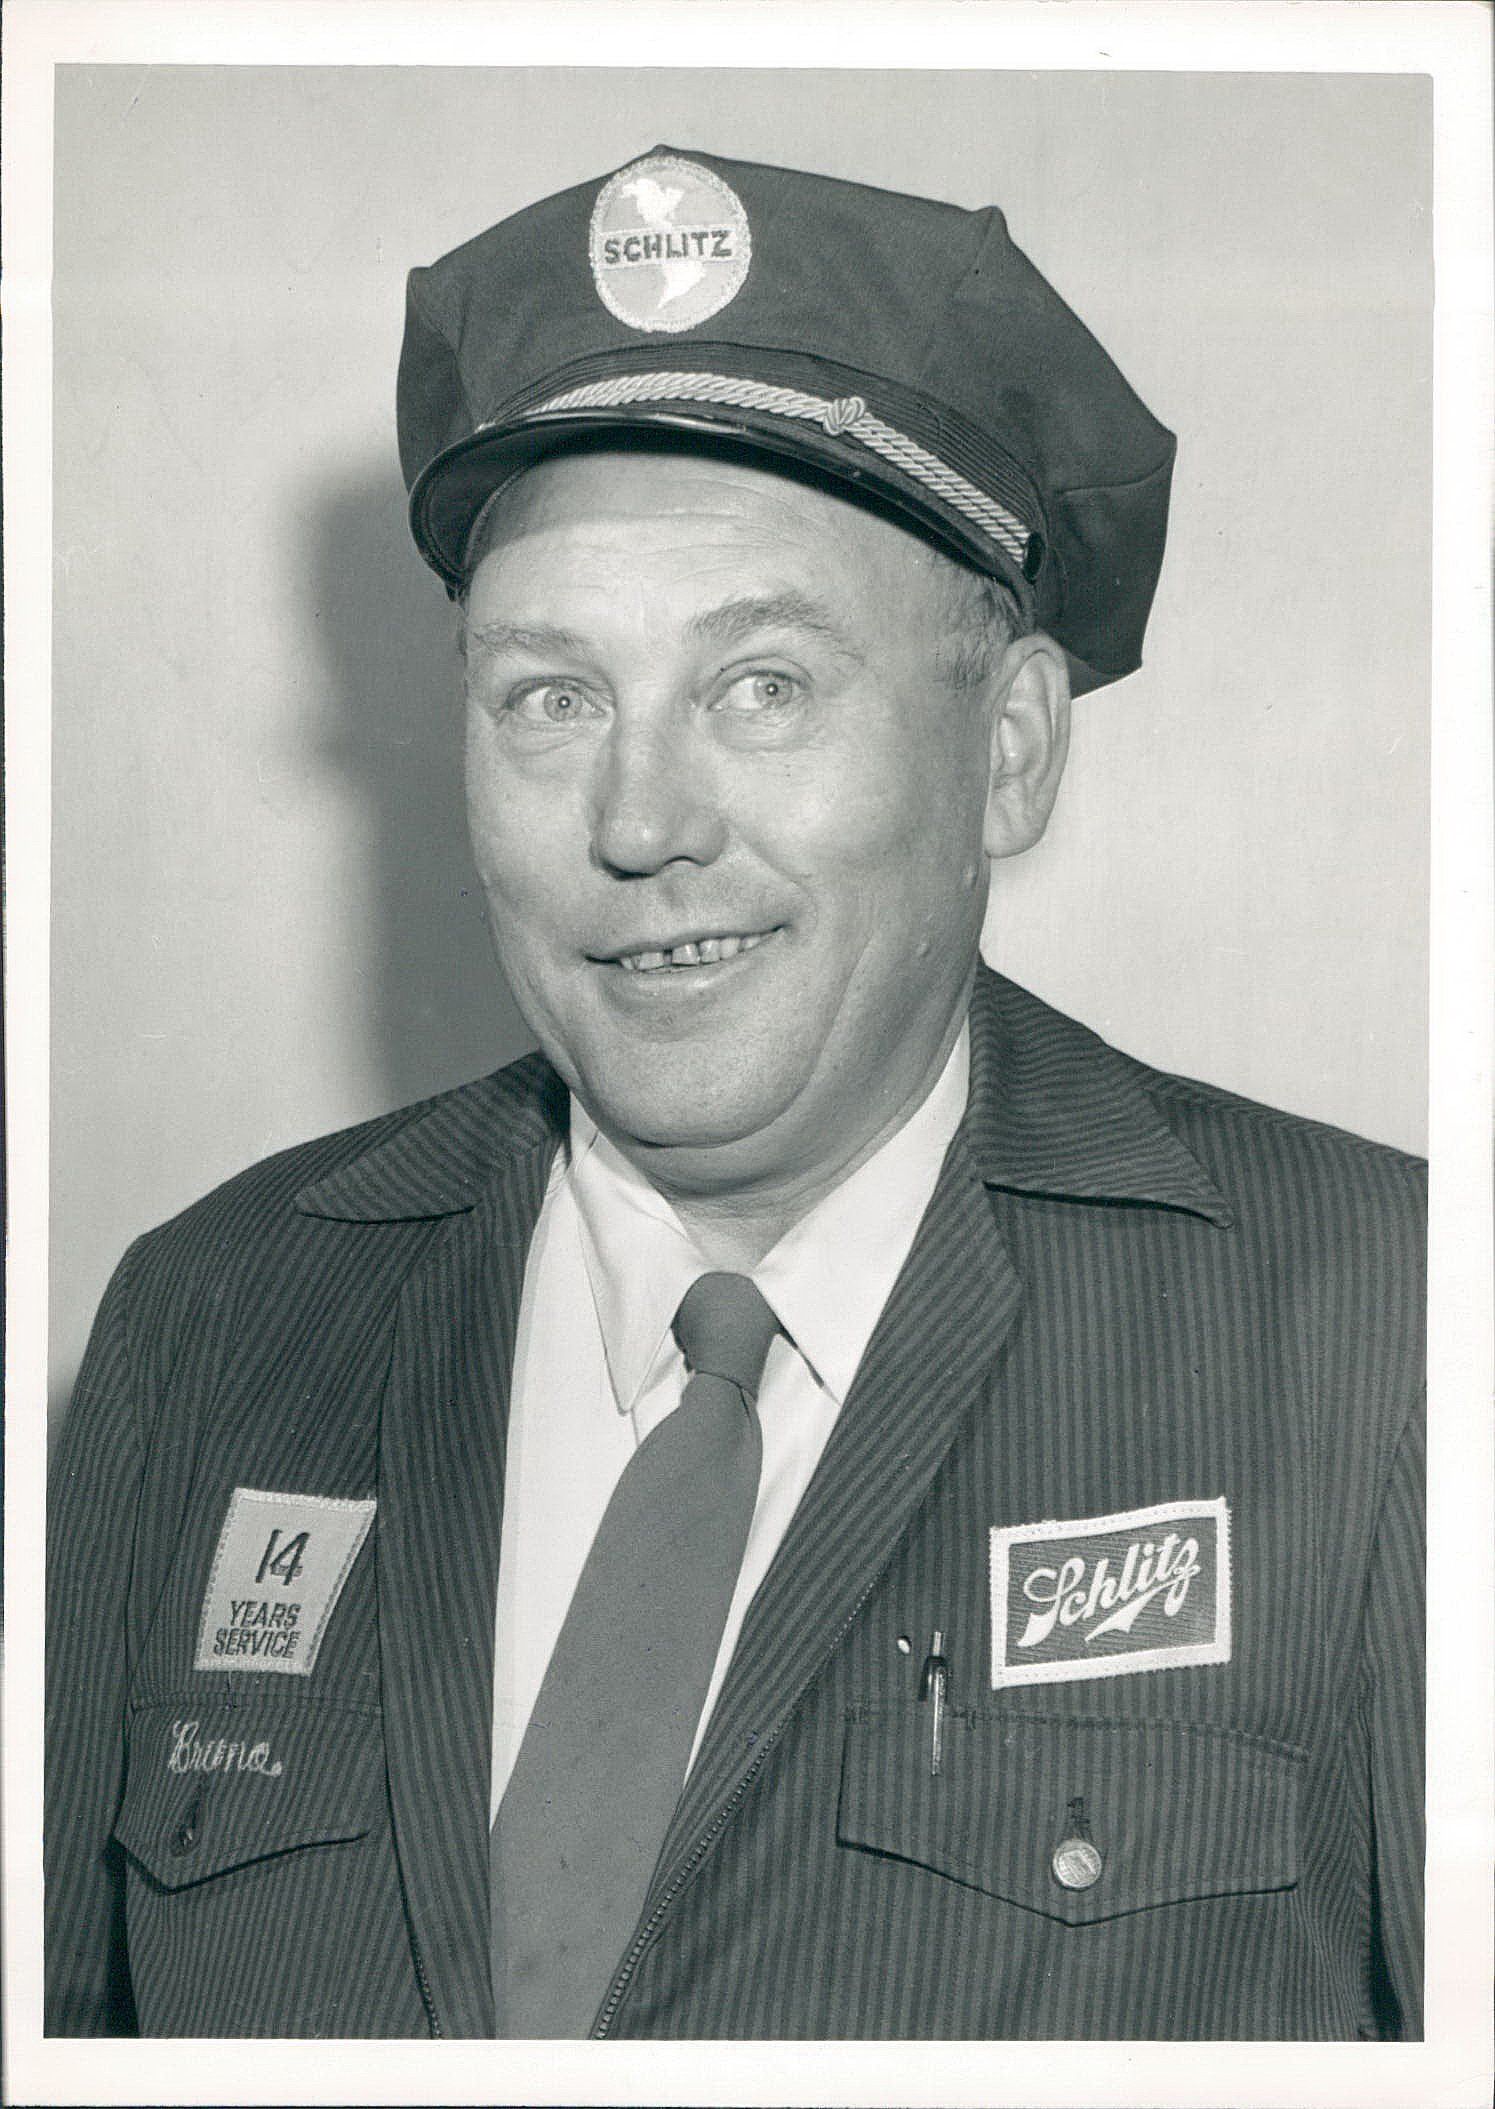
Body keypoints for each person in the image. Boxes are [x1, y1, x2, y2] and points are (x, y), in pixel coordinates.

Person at [45, 145, 1425, 2042]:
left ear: (1009, 751)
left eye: (762, 685)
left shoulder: (1382, 1332)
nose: (637, 823)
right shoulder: (214, 1326)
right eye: (550, 695)